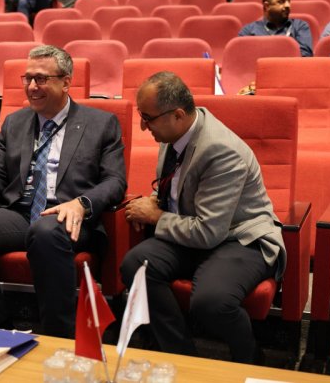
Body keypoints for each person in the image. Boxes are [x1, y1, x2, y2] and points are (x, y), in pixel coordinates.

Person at [0, 45, 126, 338]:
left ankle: (59, 336)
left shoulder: (100, 123)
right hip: (21, 212)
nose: (31, 86)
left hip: (70, 216)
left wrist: (81, 203)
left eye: (41, 79)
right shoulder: (14, 122)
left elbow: (115, 181)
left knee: (46, 232)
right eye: (27, 78)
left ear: (66, 82)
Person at [120, 72, 286, 364]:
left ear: (178, 114)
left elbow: (209, 232)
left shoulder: (221, 150)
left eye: (147, 118)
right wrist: (155, 200)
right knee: (136, 264)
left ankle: (251, 361)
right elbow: (179, 185)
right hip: (193, 227)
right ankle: (181, 358)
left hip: (239, 237)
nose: (143, 126)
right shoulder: (174, 132)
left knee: (211, 301)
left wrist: (156, 217)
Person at [239, 0, 313, 57]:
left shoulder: (300, 26)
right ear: (267, 6)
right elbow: (243, 58)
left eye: (288, 0)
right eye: (281, 2)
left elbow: (305, 57)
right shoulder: (248, 31)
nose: (287, 5)